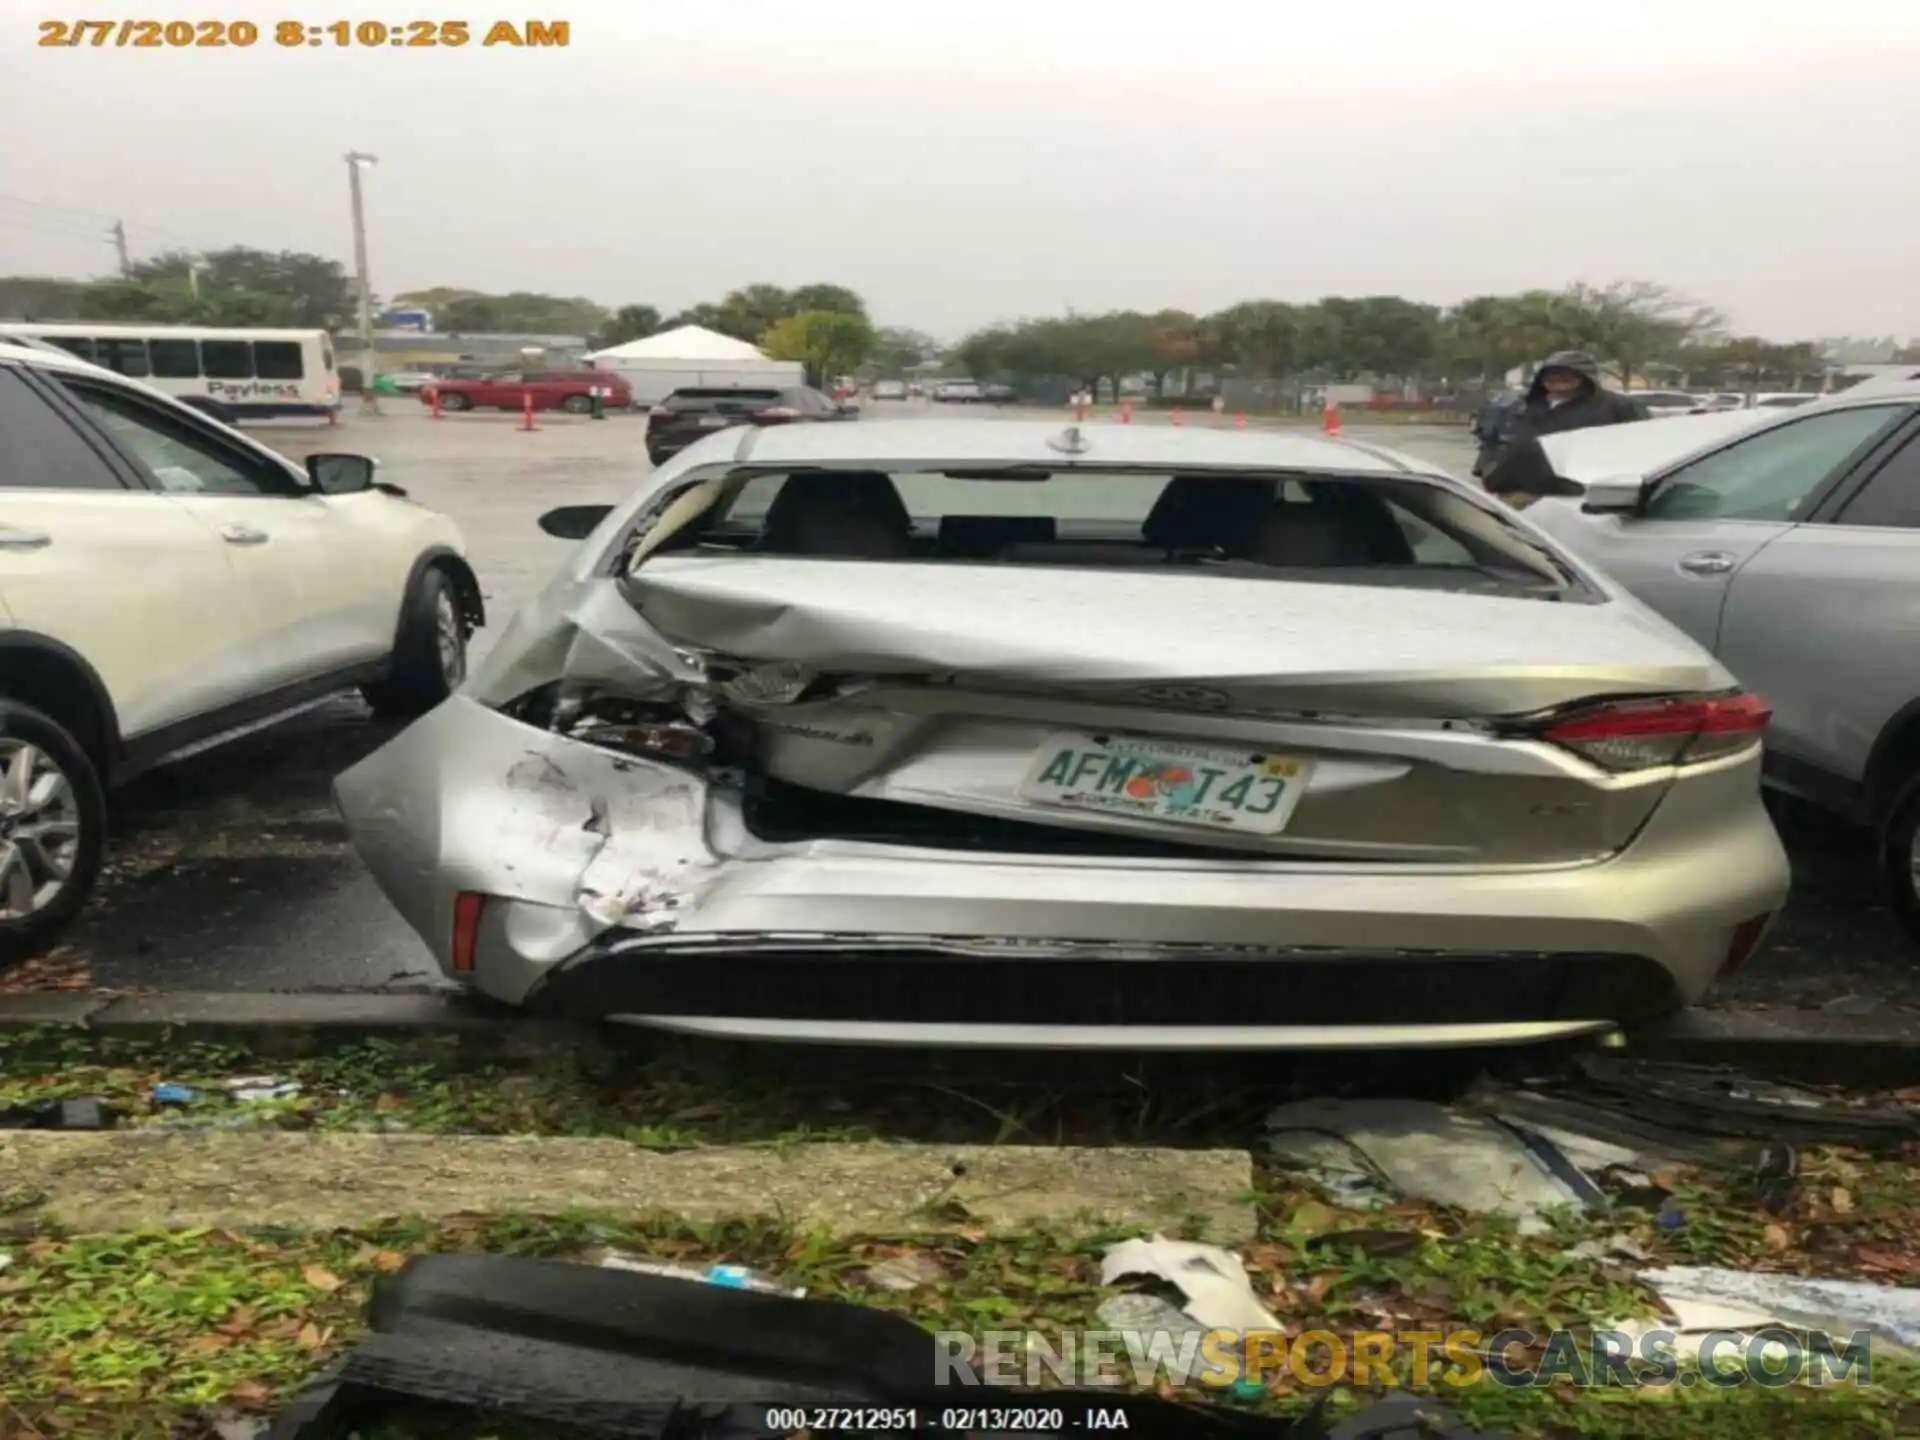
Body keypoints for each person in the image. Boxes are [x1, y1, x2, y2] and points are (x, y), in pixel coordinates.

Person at [1479, 351, 1650, 499]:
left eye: (1565, 373)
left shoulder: (1617, 407)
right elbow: (1495, 444)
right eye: (1550, 373)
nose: (1556, 378)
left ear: (1585, 376)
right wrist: (1489, 474)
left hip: (1580, 499)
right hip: (1517, 495)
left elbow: (1643, 450)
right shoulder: (1522, 406)